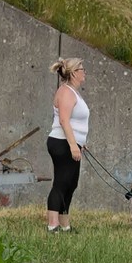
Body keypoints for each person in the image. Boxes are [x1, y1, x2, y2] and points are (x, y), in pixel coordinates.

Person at [46, 57, 90, 233]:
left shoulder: (73, 92)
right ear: (73, 73)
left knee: (71, 184)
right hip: (61, 143)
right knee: (61, 183)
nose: (84, 72)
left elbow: (75, 122)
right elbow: (64, 120)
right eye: (82, 69)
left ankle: (65, 225)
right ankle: (53, 225)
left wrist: (80, 142)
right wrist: (73, 145)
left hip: (71, 143)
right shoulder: (66, 92)